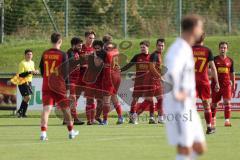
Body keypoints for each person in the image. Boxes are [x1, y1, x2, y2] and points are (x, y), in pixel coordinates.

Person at [163, 15, 206, 160]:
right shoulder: (178, 49)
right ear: (194, 29)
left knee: (199, 147)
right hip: (178, 107)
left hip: (188, 107)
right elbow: (170, 72)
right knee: (184, 149)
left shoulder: (187, 48)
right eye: (200, 27)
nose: (202, 30)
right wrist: (176, 93)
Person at [39, 32, 79, 140]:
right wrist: (67, 88)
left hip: (46, 85)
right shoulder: (62, 54)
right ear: (60, 41)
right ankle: (71, 132)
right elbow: (66, 73)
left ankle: (43, 134)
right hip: (59, 85)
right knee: (66, 109)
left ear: (51, 41)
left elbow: (42, 70)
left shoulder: (45, 53)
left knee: (46, 109)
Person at [121, 40, 155, 124]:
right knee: (135, 99)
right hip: (138, 82)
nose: (142, 49)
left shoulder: (152, 57)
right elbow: (129, 65)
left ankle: (151, 118)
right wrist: (120, 70)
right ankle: (132, 116)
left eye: (144, 47)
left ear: (148, 47)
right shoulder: (137, 56)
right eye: (141, 47)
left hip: (148, 82)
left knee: (150, 100)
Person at [192, 33, 220, 134]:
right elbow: (213, 68)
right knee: (206, 105)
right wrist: (216, 82)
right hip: (204, 82)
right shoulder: (207, 51)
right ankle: (209, 127)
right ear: (203, 39)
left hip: (191, 81)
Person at [211, 41, 235, 128]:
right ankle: (212, 119)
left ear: (227, 49)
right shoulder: (214, 59)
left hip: (226, 85)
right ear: (219, 49)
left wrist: (233, 83)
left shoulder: (230, 60)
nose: (223, 49)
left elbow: (232, 73)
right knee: (214, 104)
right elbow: (209, 71)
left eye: (224, 48)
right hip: (216, 85)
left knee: (227, 102)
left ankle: (227, 121)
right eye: (221, 47)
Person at [64, 37, 85, 125]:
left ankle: (66, 119)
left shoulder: (77, 52)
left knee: (71, 99)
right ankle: (75, 118)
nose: (81, 47)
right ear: (73, 45)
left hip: (74, 80)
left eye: (81, 45)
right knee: (73, 98)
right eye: (79, 46)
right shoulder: (70, 53)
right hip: (69, 79)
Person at [16, 49, 39, 118]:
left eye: (30, 54)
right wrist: (30, 72)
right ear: (25, 55)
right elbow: (20, 75)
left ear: (32, 55)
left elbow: (32, 72)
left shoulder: (32, 62)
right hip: (22, 82)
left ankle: (23, 113)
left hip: (29, 82)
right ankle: (20, 111)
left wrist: (35, 72)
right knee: (27, 97)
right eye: (28, 54)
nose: (29, 56)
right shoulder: (22, 63)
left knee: (28, 98)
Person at [80, 31, 96, 125]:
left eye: (93, 38)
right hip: (80, 77)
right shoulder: (81, 47)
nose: (92, 39)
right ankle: (68, 118)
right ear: (86, 38)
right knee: (75, 97)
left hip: (91, 77)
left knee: (91, 98)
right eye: (90, 38)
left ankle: (91, 119)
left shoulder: (95, 48)